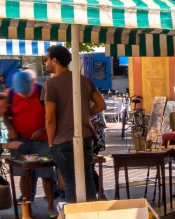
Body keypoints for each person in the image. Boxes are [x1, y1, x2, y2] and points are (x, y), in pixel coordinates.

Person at [43, 45, 106, 203]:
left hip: (63, 140)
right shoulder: (83, 80)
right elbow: (101, 105)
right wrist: (82, 114)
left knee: (70, 183)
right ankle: (92, 218)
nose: (45, 63)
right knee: (87, 180)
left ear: (55, 61)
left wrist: (50, 142)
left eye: (46, 59)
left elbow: (50, 117)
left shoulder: (50, 85)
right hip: (85, 137)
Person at [4, 68, 56, 208]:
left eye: (27, 93)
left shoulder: (41, 91)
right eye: (21, 93)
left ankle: (51, 206)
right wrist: (10, 128)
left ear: (32, 85)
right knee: (23, 173)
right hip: (20, 140)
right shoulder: (10, 94)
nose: (24, 96)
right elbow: (5, 114)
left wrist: (42, 129)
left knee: (46, 174)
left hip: (42, 139)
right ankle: (27, 207)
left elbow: (52, 115)